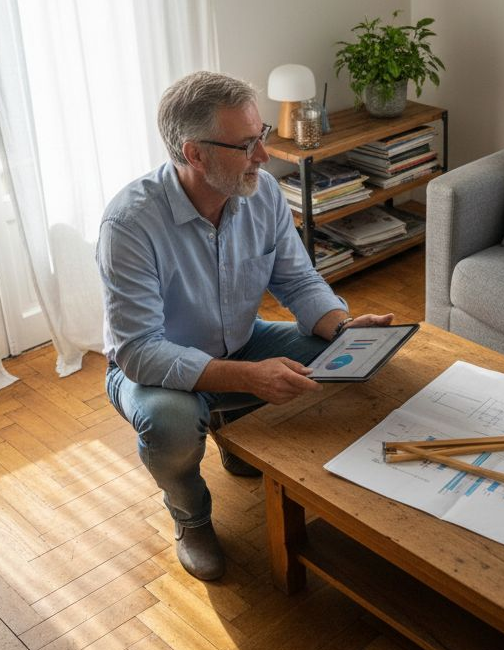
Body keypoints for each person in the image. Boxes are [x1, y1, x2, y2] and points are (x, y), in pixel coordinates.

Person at [98, 71, 392, 581]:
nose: (265, 155)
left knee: (345, 358)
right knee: (169, 422)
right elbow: (140, 351)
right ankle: (190, 518)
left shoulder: (264, 193)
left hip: (241, 340)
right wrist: (245, 378)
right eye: (246, 144)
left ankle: (231, 432)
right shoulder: (128, 224)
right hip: (150, 369)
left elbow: (299, 281)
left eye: (262, 137)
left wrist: (343, 329)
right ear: (194, 154)